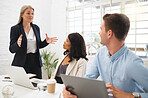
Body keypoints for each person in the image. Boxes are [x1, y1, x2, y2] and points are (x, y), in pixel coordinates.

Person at [63, 13, 148, 98]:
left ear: (109, 34)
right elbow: (88, 79)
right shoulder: (100, 54)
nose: (99, 33)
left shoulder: (133, 63)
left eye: (101, 29)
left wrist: (129, 96)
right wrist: (69, 90)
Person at [9, 5, 58, 79]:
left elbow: (38, 45)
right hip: (22, 62)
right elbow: (11, 49)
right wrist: (17, 44)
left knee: (37, 85)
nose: (31, 15)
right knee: (22, 86)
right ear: (22, 15)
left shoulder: (36, 28)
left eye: (32, 13)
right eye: (28, 13)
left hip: (35, 62)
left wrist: (46, 42)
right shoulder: (15, 29)